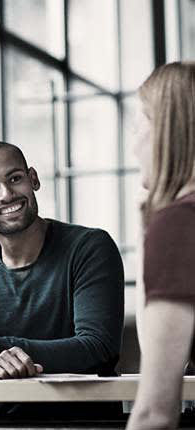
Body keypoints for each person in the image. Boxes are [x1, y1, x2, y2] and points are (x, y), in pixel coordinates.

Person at [0, 141, 125, 417]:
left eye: (15, 179)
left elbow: (98, 347)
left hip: (85, 422)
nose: (6, 194)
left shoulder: (90, 247)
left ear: (33, 179)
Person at [126, 61, 195, 429]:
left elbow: (155, 411)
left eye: (139, 125)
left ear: (167, 132)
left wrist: (157, 230)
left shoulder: (181, 224)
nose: (134, 145)